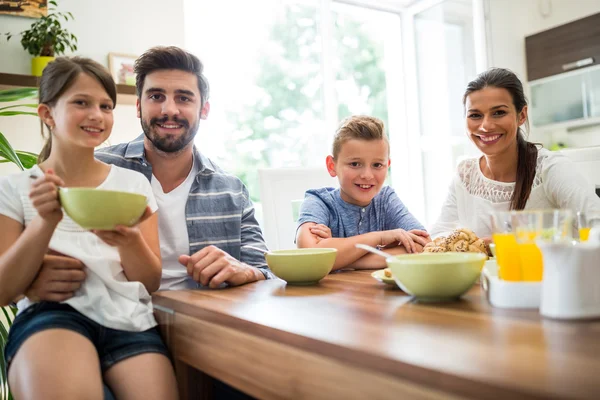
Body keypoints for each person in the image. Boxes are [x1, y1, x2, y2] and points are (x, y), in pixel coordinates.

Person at [0, 57, 178, 399]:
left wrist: (129, 242)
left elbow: (150, 281)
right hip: (52, 316)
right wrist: (44, 223)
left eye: (106, 106)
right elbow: (4, 291)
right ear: (47, 114)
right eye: (81, 102)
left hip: (131, 322)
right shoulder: (15, 189)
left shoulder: (133, 185)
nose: (97, 114)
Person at [430, 67, 600, 240]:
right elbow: (439, 233)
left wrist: (500, 243)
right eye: (475, 115)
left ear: (522, 115)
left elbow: (597, 225)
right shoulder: (465, 174)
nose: (485, 126)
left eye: (499, 113)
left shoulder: (549, 168)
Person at [296, 115, 430, 270]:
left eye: (377, 165)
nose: (367, 175)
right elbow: (310, 255)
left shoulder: (386, 199)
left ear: (388, 165)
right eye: (355, 164)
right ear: (332, 166)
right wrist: (379, 237)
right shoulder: (318, 201)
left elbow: (423, 245)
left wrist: (340, 258)